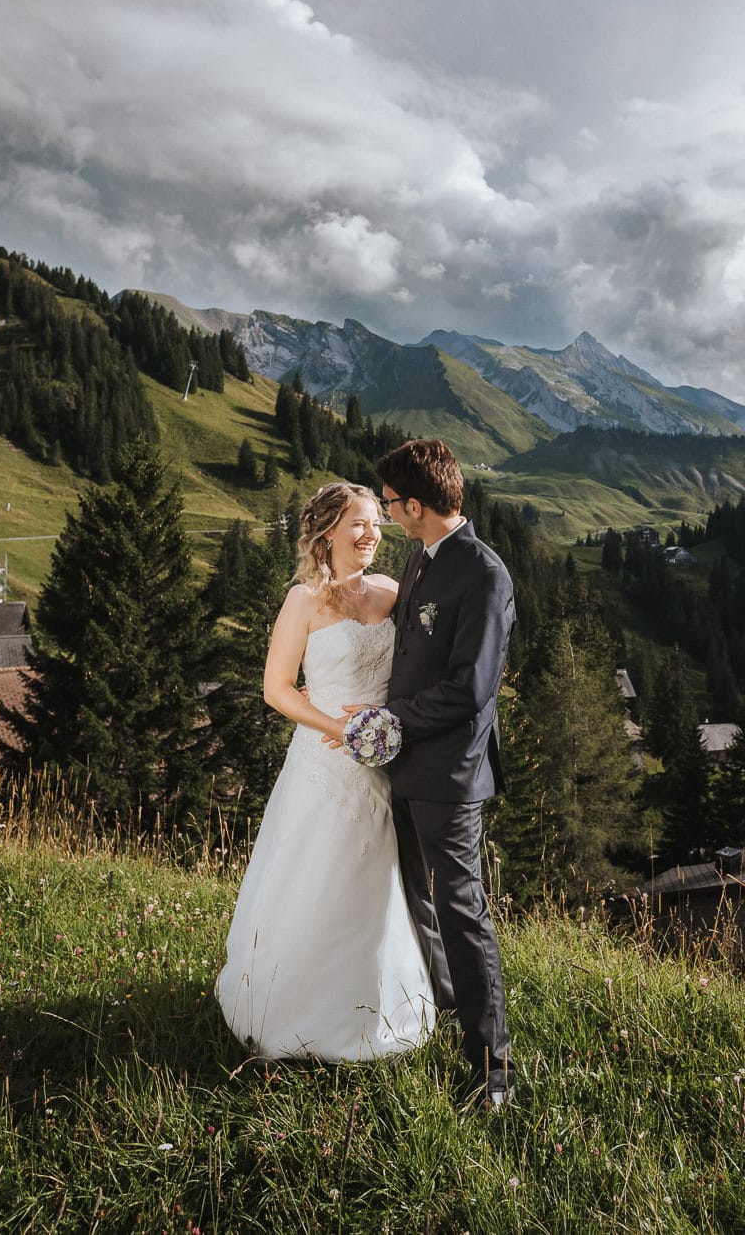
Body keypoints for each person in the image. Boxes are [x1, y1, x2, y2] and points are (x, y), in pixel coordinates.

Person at [216, 482, 434, 1061]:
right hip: (325, 761)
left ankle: (378, 1004)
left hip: (384, 761)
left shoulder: (392, 591)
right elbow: (276, 689)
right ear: (327, 532)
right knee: (317, 875)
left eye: (375, 524)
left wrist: (388, 724)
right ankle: (295, 1008)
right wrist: (339, 729)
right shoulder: (303, 601)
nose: (371, 535)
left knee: (378, 880)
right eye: (358, 524)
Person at [335, 438, 516, 1108]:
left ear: (415, 504)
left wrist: (391, 719)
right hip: (403, 764)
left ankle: (492, 1066)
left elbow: (472, 689)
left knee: (462, 910)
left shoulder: (484, 574)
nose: (387, 515)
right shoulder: (418, 560)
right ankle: (444, 1012)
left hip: (451, 773)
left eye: (390, 503)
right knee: (419, 899)